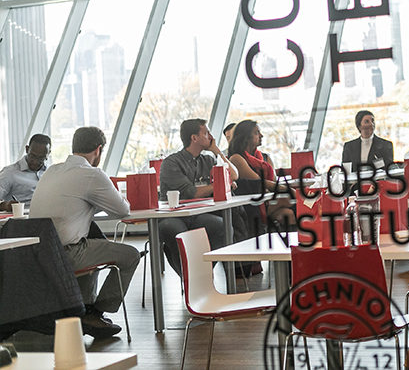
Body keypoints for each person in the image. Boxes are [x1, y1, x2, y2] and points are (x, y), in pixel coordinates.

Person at [30, 127, 139, 338]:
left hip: (39, 253)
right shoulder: (92, 174)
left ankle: (83, 310)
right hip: (66, 254)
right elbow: (122, 211)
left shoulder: (51, 171)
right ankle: (96, 312)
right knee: (130, 255)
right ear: (98, 150)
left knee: (93, 237)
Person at [157, 118, 238, 276]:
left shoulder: (208, 160)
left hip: (198, 215)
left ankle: (201, 273)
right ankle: (188, 277)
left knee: (222, 227)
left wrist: (216, 150)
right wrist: (221, 184)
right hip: (174, 216)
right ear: (194, 138)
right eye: (206, 133)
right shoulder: (171, 162)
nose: (210, 136)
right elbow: (191, 192)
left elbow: (234, 175)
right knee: (175, 232)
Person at [228, 119, 294, 226]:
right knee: (292, 200)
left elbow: (273, 183)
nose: (261, 135)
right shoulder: (236, 158)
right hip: (251, 204)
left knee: (287, 213)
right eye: (256, 132)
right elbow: (260, 183)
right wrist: (291, 191)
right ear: (245, 137)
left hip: (267, 200)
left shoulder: (265, 157)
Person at [0, 133, 51, 211]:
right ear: (27, 149)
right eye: (33, 156)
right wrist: (5, 206)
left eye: (41, 158)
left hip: (47, 217)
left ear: (48, 154)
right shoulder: (10, 173)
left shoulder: (51, 172)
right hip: (21, 220)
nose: (35, 162)